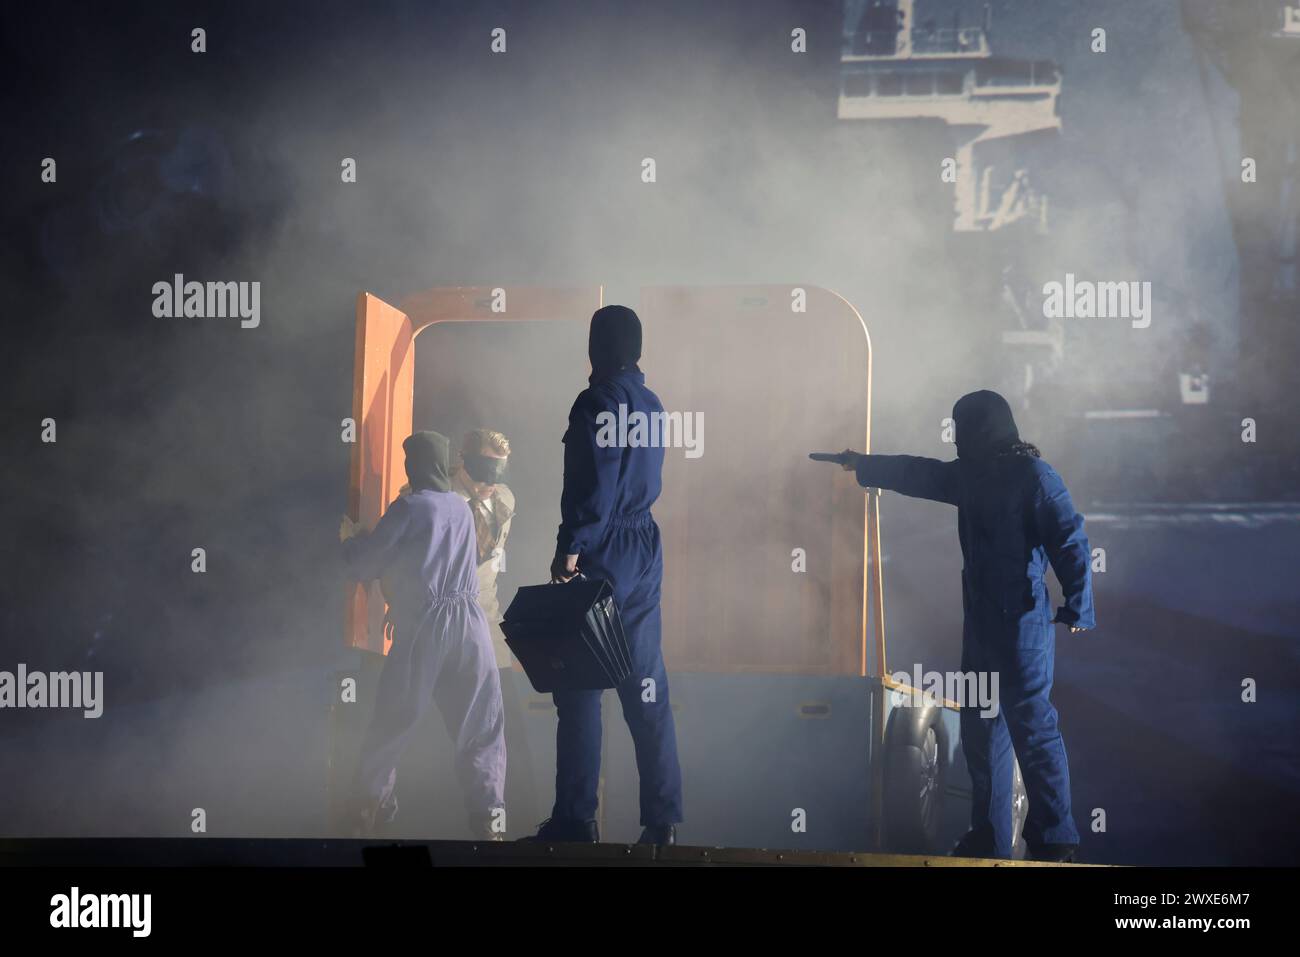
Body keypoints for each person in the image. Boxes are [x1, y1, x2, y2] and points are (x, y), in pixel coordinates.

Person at [814, 390, 1094, 861]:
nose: (957, 437)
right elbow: (920, 473)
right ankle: (993, 834)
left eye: (961, 427)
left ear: (976, 430)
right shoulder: (985, 474)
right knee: (986, 731)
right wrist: (864, 465)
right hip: (992, 623)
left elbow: (1070, 539)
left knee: (1028, 725)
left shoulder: (1031, 476)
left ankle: (1055, 836)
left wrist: (1079, 604)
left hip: (1020, 625)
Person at [527, 305, 684, 845]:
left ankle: (575, 820)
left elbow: (596, 485)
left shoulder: (596, 401)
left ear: (596, 347)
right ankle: (661, 822)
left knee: (578, 685)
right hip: (645, 544)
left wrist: (571, 549)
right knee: (645, 683)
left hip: (604, 548)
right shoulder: (652, 403)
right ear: (636, 350)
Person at [340, 430, 506, 840]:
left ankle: (368, 813)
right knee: (482, 728)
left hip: (426, 626)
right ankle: (491, 824)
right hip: (471, 628)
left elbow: (367, 564)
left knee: (394, 719)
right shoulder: (461, 509)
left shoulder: (409, 507)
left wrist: (349, 541)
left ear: (414, 465)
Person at [448, 429, 538, 824]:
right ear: (463, 461)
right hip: (446, 632)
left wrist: (482, 499)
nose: (490, 480)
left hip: (488, 627)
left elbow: (487, 552)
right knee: (452, 734)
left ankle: (515, 828)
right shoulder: (440, 499)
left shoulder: (503, 499)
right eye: (483, 468)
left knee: (507, 735)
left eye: (497, 470)